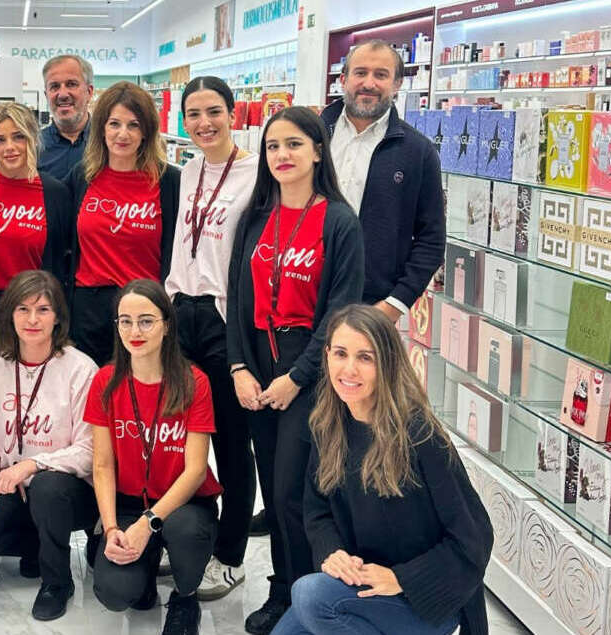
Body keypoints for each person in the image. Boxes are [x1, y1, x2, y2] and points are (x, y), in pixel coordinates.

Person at [226, 106, 365, 634]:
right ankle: (287, 589)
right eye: (272, 147)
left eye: (293, 145)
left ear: (316, 151)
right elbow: (236, 295)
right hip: (257, 367)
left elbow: (341, 313)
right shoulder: (257, 217)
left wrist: (298, 377)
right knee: (272, 483)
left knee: (292, 492)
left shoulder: (339, 222)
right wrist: (239, 366)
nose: (282, 155)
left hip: (311, 373)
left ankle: (297, 595)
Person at [272, 304, 492, 635]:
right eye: (341, 353)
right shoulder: (328, 424)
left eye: (365, 357)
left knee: (311, 596)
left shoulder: (420, 436)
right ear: (327, 355)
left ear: (386, 364)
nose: (349, 369)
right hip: (363, 588)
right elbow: (317, 511)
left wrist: (401, 579)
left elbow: (475, 537)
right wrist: (333, 554)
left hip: (426, 600)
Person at [0, 270, 98, 622]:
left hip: (68, 492)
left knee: (48, 486)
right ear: (8, 315)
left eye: (43, 310)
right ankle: (36, 541)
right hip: (14, 489)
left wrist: (33, 464)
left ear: (58, 317)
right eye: (23, 309)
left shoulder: (80, 368)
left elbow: (90, 451)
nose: (32, 320)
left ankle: (56, 582)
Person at [164, 76, 258, 602]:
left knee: (231, 443)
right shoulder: (188, 171)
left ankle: (231, 555)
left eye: (214, 111)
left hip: (226, 318)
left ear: (232, 112)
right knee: (181, 438)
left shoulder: (256, 172)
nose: (204, 123)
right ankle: (184, 537)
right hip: (183, 315)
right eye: (194, 113)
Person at [86, 279, 223, 635]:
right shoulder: (105, 382)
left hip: (185, 505)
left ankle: (185, 597)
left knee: (185, 531)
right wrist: (113, 527)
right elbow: (101, 465)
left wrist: (148, 524)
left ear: (166, 324)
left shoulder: (195, 382)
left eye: (146, 320)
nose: (135, 331)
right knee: (116, 594)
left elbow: (195, 471)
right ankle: (143, 571)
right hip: (129, 503)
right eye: (125, 321)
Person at [0, 102, 73, 395]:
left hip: (34, 317)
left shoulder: (54, 192)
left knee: (33, 405)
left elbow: (63, 256)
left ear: (33, 138)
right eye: (0, 139)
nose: (9, 147)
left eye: (18, 137)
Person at [322, 39, 445, 321]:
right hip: (301, 298)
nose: (369, 83)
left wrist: (394, 304)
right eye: (360, 73)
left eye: (381, 75)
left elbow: (431, 239)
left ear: (397, 83)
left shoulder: (418, 152)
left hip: (371, 307)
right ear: (343, 79)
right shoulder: (313, 135)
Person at [67, 81, 180, 366]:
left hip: (144, 309)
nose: (123, 134)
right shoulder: (82, 177)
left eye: (134, 125)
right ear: (101, 128)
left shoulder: (168, 182)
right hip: (88, 309)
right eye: (114, 123)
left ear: (146, 132)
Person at [0, 54, 94, 181]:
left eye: (71, 84)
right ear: (46, 95)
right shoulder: (31, 146)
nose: (62, 94)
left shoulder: (107, 144)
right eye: (54, 86)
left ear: (89, 92)